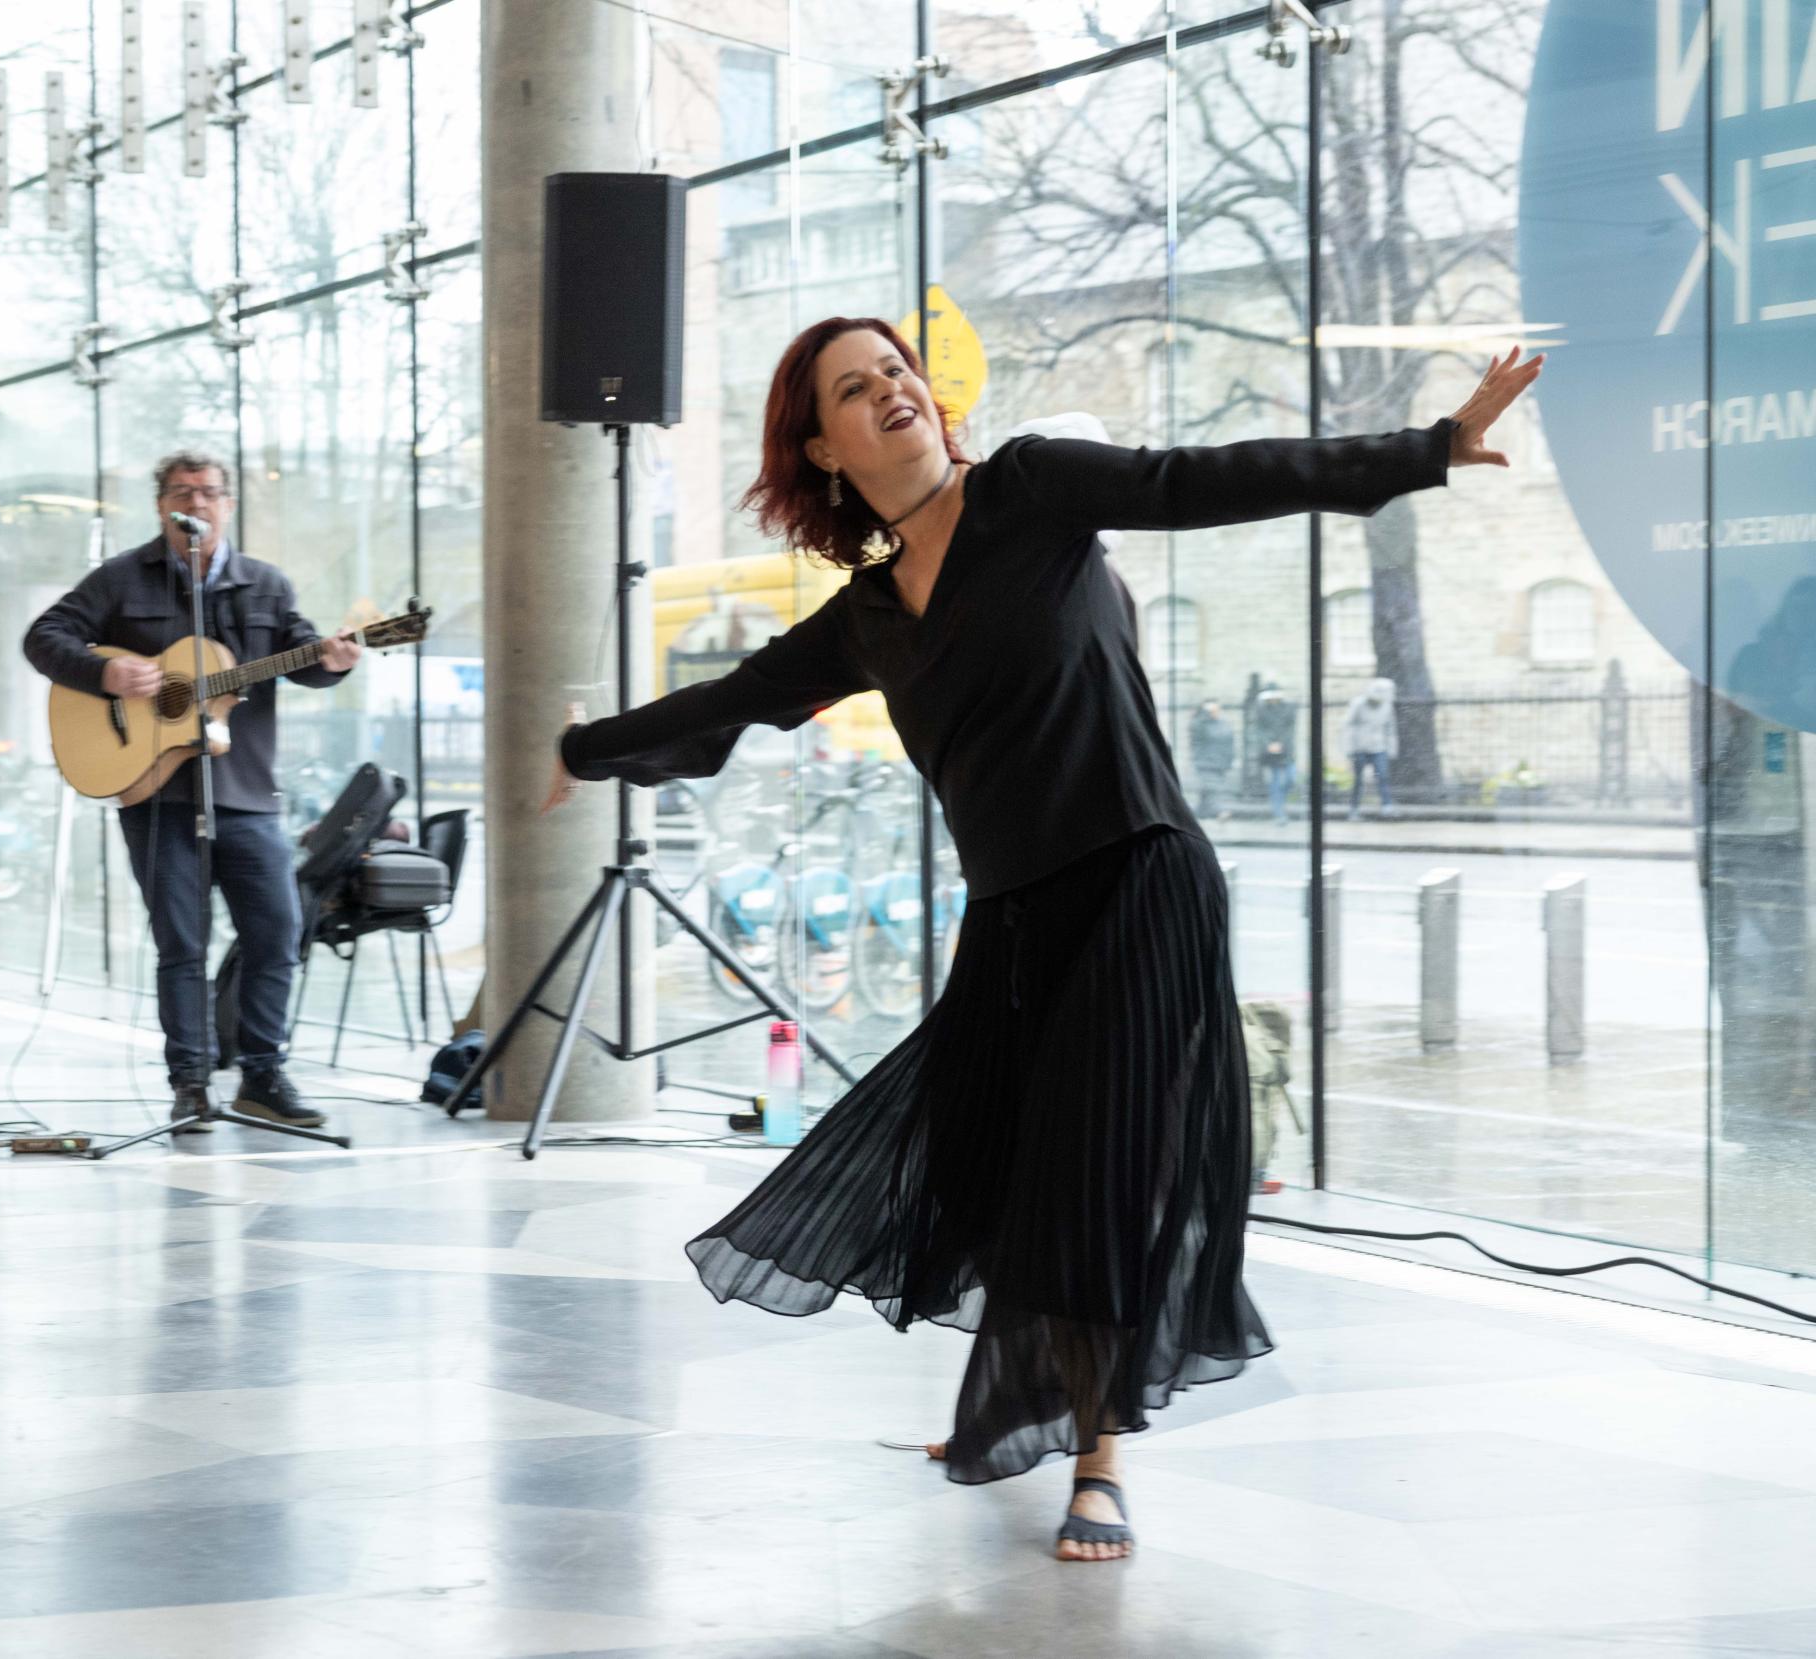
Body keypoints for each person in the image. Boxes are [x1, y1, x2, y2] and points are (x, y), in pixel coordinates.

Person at [546, 316, 1540, 1562]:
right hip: (1012, 917)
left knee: (1092, 1182)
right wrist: (578, 750)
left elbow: (1206, 478)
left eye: (897, 370)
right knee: (994, 1177)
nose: (891, 390)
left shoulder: (1029, 487)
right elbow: (729, 701)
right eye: (857, 389)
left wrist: (1428, 447)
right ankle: (1034, 1391)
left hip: (1137, 882)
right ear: (824, 447)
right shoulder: (866, 621)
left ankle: (1097, 1462)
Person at [24, 450, 362, 1131]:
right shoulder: (122, 578)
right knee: (183, 942)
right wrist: (109, 674)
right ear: (161, 504)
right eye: (182, 492)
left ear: (228, 504)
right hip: (155, 795)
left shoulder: (266, 585)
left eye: (209, 492)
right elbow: (44, 637)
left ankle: (263, 1075)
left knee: (276, 933)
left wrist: (334, 662)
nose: (197, 503)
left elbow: (304, 661)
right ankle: (191, 1084)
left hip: (245, 789)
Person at [1342, 676, 1398, 817]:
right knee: (1358, 779)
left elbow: (1390, 729)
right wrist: (1348, 747)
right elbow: (1348, 725)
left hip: (1379, 747)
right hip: (1359, 747)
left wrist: (1391, 748)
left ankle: (1387, 806)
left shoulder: (1387, 706)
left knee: (1383, 776)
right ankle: (1354, 809)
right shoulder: (1358, 704)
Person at [1255, 680, 1299, 826]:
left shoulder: (1289, 708)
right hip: (1270, 753)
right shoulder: (1262, 709)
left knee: (1290, 778)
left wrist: (1281, 744)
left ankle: (1281, 802)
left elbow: (1289, 730)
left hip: (1286, 751)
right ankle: (1279, 813)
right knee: (1274, 782)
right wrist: (1268, 744)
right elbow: (1260, 730)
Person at [1186, 697, 1235, 819]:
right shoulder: (1199, 724)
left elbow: (1230, 741)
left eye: (1217, 710)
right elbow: (1196, 736)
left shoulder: (1223, 724)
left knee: (1206, 793)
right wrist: (1203, 715)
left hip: (1221, 763)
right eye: (1211, 710)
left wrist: (1230, 759)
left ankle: (1196, 816)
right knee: (1213, 788)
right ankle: (1221, 811)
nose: (1215, 713)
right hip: (1205, 762)